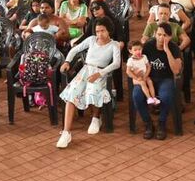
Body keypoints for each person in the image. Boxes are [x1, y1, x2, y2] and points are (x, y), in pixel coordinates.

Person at [56, 18, 122, 148]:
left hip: (100, 73)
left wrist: (100, 73)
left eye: (103, 31)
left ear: (109, 31)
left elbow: (116, 63)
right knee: (71, 94)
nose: (100, 34)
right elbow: (75, 49)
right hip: (85, 71)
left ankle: (96, 117)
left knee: (94, 90)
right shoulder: (91, 40)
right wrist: (67, 61)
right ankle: (66, 132)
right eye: (97, 31)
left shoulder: (114, 45)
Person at [133, 25, 182, 140]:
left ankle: (162, 122)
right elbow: (135, 62)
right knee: (137, 95)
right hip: (148, 78)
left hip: (165, 79)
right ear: (155, 34)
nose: (161, 38)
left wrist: (167, 51)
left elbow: (176, 70)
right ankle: (148, 123)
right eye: (159, 34)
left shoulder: (174, 48)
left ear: (170, 37)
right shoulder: (148, 46)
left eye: (165, 35)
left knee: (166, 96)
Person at [126, 40, 157, 106]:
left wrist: (146, 75)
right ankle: (149, 98)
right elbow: (128, 71)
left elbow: (148, 67)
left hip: (145, 76)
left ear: (142, 49)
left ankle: (154, 98)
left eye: (139, 49)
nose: (138, 51)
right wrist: (136, 78)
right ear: (130, 51)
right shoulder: (130, 60)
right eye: (135, 50)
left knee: (150, 82)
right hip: (136, 78)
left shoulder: (144, 57)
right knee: (142, 83)